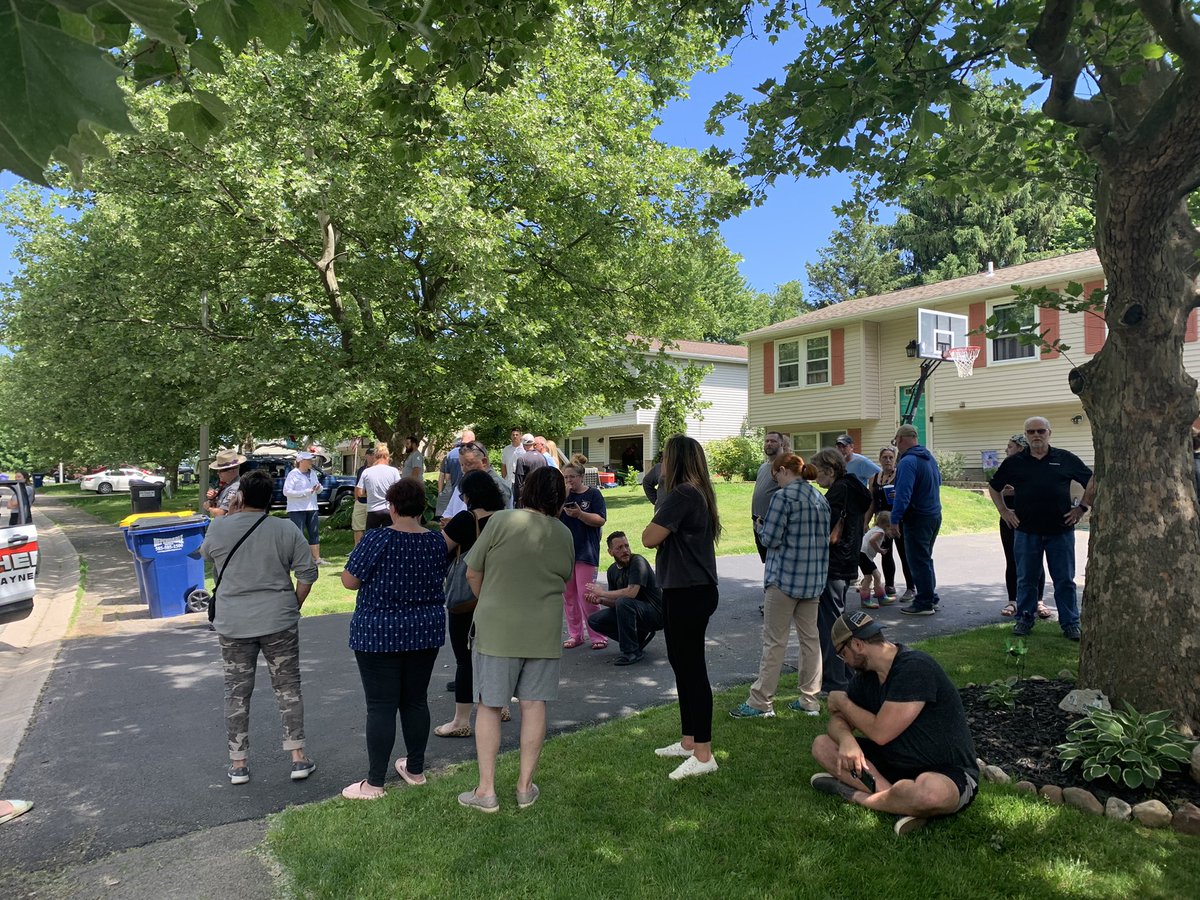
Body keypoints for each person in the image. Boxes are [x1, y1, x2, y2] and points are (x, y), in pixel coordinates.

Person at [458, 467, 575, 812]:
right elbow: (565, 577)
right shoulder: (564, 534)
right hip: (542, 628)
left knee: (490, 705)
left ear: (527, 490)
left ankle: (487, 790)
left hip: (497, 626)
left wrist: (488, 598)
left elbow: (472, 570)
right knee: (534, 704)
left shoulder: (501, 521)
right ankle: (525, 787)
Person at [809, 611, 979, 836]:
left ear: (857, 645)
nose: (845, 663)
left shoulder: (915, 668)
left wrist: (842, 701)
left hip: (946, 772)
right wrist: (847, 739)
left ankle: (856, 795)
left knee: (931, 794)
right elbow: (836, 722)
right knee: (822, 745)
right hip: (893, 766)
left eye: (842, 654)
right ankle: (897, 800)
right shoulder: (864, 679)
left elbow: (881, 732)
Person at [200, 469, 318, 786]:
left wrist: (231, 514)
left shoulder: (219, 527)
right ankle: (297, 757)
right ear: (271, 498)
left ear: (240, 496)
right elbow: (307, 573)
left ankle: (238, 763)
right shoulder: (285, 530)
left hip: (233, 621)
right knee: (288, 689)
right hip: (278, 617)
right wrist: (294, 604)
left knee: (236, 693)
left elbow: (206, 555)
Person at [339, 478, 447, 799]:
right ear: (422, 507)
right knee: (415, 701)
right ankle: (415, 769)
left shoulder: (376, 539)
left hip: (379, 634)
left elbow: (349, 581)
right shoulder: (437, 542)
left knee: (381, 706)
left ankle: (374, 783)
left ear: (392, 506)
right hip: (424, 631)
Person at [641, 434, 721, 780]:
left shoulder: (683, 493)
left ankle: (704, 754)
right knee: (681, 664)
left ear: (676, 460)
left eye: (665, 458)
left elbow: (648, 538)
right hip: (682, 588)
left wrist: (661, 487)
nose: (661, 464)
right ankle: (689, 741)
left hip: (690, 590)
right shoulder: (690, 492)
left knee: (692, 670)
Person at [730, 452, 829, 719]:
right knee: (811, 640)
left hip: (784, 579)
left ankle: (761, 702)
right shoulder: (819, 498)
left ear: (784, 470)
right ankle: (810, 700)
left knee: (774, 642)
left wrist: (760, 526)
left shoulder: (782, 498)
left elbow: (770, 539)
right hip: (813, 580)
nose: (776, 481)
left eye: (776, 476)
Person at [988, 416, 1095, 640]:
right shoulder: (1015, 462)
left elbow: (1092, 480)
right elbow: (994, 486)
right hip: (1026, 531)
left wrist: (1082, 507)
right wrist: (1004, 512)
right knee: (1026, 579)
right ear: (1026, 436)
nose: (1036, 435)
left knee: (1064, 580)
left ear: (1049, 433)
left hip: (1060, 531)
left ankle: (1070, 623)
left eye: (1040, 431)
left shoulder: (1065, 459)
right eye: (1031, 432)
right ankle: (1025, 619)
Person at [435, 470, 508, 738]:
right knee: (496, 655)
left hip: (468, 599)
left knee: (465, 659)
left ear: (468, 495)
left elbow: (440, 550)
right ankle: (497, 707)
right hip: (501, 594)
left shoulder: (465, 519)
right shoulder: (505, 519)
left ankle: (461, 720)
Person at [811, 448, 872, 696]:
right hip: (847, 563)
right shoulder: (855, 487)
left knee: (830, 626)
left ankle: (835, 680)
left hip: (834, 563)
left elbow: (827, 528)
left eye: (818, 472)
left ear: (829, 470)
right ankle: (846, 674)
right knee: (839, 621)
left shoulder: (838, 491)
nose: (815, 478)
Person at [585, 531, 663, 665]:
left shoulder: (638, 562)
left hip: (656, 614)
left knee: (624, 602)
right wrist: (601, 600)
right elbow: (617, 603)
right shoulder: (612, 571)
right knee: (594, 620)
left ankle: (631, 652)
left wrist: (602, 593)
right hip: (632, 611)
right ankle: (635, 640)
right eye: (619, 548)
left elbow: (630, 593)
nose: (625, 550)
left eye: (626, 546)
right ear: (610, 552)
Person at [888, 424, 942, 616]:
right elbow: (939, 482)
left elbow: (903, 494)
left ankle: (924, 602)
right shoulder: (928, 458)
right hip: (934, 514)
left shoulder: (907, 461)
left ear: (901, 439)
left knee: (918, 560)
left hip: (918, 517)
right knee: (925, 558)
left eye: (896, 442)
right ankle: (930, 597)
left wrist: (894, 520)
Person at [996, 434, 1049, 620]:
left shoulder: (1033, 464)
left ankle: (1039, 601)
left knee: (1036, 559)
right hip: (1010, 518)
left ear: (1020, 447)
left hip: (1033, 518)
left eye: (1009, 446)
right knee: (1012, 559)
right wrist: (1004, 509)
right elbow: (995, 487)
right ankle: (1013, 601)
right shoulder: (1006, 467)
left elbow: (1039, 488)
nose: (1006, 450)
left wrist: (1017, 489)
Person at [559, 462, 609, 650]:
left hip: (586, 551)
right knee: (569, 596)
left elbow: (600, 520)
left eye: (572, 476)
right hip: (565, 552)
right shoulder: (562, 496)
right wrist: (562, 498)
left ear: (581, 476)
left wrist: (580, 514)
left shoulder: (593, 494)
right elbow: (552, 518)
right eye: (565, 477)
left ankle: (598, 635)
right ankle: (575, 634)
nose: (569, 480)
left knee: (586, 595)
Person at [864, 446, 911, 603]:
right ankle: (889, 585)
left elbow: (907, 496)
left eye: (891, 457)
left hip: (898, 521)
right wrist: (866, 522)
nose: (888, 460)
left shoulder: (900, 476)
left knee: (905, 554)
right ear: (880, 459)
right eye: (885, 457)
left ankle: (911, 587)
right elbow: (870, 503)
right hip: (882, 523)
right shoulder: (874, 478)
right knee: (885, 553)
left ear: (895, 459)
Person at [283, 451, 328, 566]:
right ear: (301, 461)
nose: (311, 462)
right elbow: (286, 491)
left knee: (314, 533)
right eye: (308, 460)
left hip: (312, 507)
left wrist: (318, 488)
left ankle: (316, 558)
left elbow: (319, 487)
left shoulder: (312, 473)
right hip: (297, 509)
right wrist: (304, 492)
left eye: (311, 460)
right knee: (298, 534)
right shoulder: (293, 474)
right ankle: (297, 560)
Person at [750, 431, 787, 562]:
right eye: (767, 441)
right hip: (757, 523)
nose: (769, 444)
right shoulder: (763, 467)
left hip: (772, 525)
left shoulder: (784, 467)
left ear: (781, 444)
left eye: (773, 441)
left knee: (776, 563)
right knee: (768, 563)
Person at [357, 444, 400, 531]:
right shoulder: (394, 471)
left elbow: (359, 493)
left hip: (373, 510)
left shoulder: (366, 472)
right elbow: (400, 491)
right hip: (389, 510)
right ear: (387, 456)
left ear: (375, 456)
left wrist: (370, 493)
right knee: (389, 537)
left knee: (371, 539)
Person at [437, 429, 475, 516]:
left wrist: (440, 493)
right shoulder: (477, 454)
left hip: (455, 491)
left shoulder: (450, 454)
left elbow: (447, 477)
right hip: (471, 493)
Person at [858, 511, 891, 609]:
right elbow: (872, 540)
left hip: (863, 554)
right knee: (868, 578)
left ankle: (881, 597)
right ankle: (865, 600)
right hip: (864, 555)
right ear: (887, 524)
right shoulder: (880, 532)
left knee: (877, 575)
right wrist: (880, 550)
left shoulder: (876, 528)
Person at [204, 449, 245, 517]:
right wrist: (212, 498)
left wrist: (208, 508)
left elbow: (220, 513)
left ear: (232, 470)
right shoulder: (228, 485)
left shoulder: (235, 487)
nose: (218, 473)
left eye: (221, 471)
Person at [512, 433, 547, 508]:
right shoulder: (543, 457)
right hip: (541, 495)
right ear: (533, 444)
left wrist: (516, 499)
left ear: (523, 445)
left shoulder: (522, 459)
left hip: (528, 497)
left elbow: (519, 482)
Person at [351, 448, 375, 546]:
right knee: (357, 527)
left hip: (372, 503)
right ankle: (358, 549)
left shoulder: (377, 470)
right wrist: (357, 498)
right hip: (360, 502)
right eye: (371, 455)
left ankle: (370, 548)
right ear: (367, 456)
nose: (373, 457)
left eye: (375, 455)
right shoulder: (362, 469)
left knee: (372, 528)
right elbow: (357, 486)